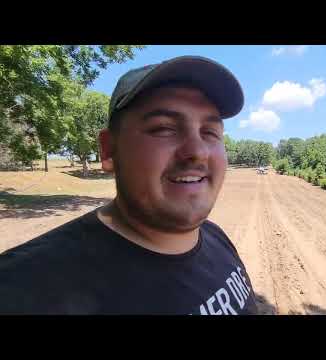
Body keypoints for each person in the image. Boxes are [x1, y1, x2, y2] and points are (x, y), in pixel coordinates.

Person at [0, 56, 258, 315]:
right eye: (164, 128)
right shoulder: (24, 291)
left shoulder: (217, 237)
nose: (198, 151)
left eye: (210, 132)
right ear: (109, 150)